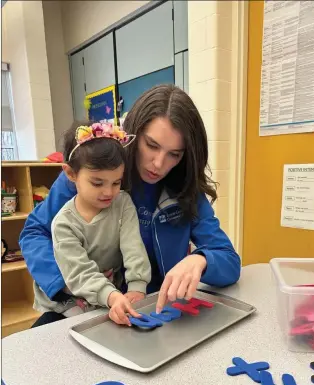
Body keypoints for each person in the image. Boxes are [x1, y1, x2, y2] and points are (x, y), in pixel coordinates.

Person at [19, 84, 241, 328]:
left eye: (174, 154)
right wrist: (73, 283)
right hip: (85, 304)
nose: (158, 163)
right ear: (133, 135)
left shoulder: (185, 191)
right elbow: (34, 233)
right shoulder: (94, 173)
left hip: (152, 307)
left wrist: (201, 260)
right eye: (152, 146)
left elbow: (229, 261)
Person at [34, 121, 150, 326]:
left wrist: (137, 287)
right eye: (97, 183)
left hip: (106, 295)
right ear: (71, 174)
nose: (108, 192)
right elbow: (79, 274)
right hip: (66, 302)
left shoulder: (123, 203)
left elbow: (133, 248)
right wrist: (112, 296)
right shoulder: (64, 223)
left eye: (116, 182)